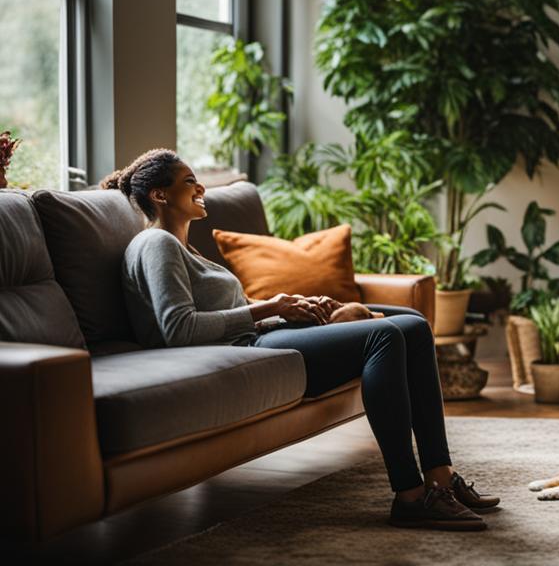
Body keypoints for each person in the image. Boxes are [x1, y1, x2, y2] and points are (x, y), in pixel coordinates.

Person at [103, 148, 498, 531]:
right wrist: (267, 309)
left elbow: (227, 307)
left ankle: (441, 477)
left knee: (413, 324)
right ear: (160, 195)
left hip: (259, 334)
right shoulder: (156, 243)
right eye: (190, 182)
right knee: (383, 337)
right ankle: (410, 496)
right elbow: (179, 329)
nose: (201, 187)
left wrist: (291, 306)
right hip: (243, 348)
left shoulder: (185, 248)